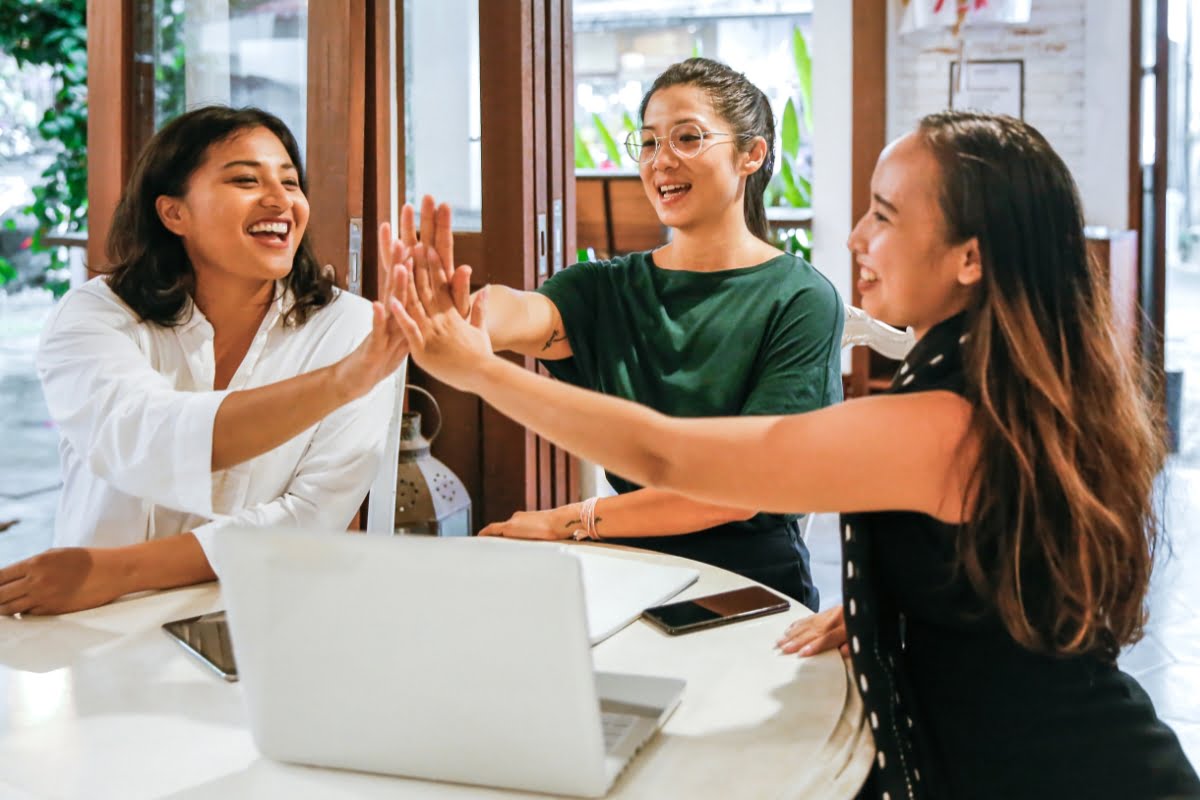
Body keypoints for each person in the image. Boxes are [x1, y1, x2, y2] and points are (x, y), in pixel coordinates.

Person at [387, 110, 1200, 798]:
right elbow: (1005, 567)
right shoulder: (1011, 380)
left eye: (884, 216)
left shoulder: (947, 419)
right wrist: (909, 604)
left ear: (970, 258)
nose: (854, 236)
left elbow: (669, 453)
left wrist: (480, 374)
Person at [396, 57, 843, 609]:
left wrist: (569, 520)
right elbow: (528, 314)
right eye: (651, 143)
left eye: (688, 137)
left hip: (752, 586)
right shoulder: (607, 287)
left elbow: (736, 492)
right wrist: (470, 317)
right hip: (630, 570)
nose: (662, 161)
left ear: (751, 154)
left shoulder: (800, 299)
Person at [0, 106, 427, 617]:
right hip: (92, 621)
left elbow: (311, 514)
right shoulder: (95, 316)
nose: (280, 200)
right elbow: (147, 437)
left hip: (262, 615)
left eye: (290, 182)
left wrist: (120, 571)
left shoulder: (354, 329)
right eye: (246, 179)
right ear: (173, 213)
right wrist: (341, 382)